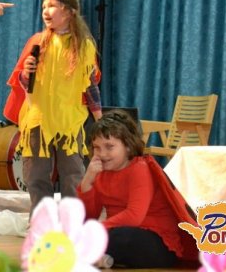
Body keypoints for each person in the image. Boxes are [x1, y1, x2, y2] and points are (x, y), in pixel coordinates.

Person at [3, 0, 101, 213]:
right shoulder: (38, 42)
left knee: (72, 174)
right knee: (35, 174)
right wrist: (26, 73)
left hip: (69, 122)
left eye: (52, 6)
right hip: (38, 119)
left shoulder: (84, 46)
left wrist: (99, 119)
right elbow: (24, 84)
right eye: (43, 7)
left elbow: (90, 84)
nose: (45, 11)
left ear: (69, 12)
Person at [77, 110, 198, 269]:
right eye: (97, 148)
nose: (102, 154)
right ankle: (100, 256)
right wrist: (87, 182)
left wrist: (98, 229)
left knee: (121, 236)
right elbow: (89, 216)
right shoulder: (101, 172)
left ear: (128, 146)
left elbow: (134, 216)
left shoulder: (139, 168)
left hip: (159, 244)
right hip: (122, 234)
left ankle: (92, 254)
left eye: (109, 147)